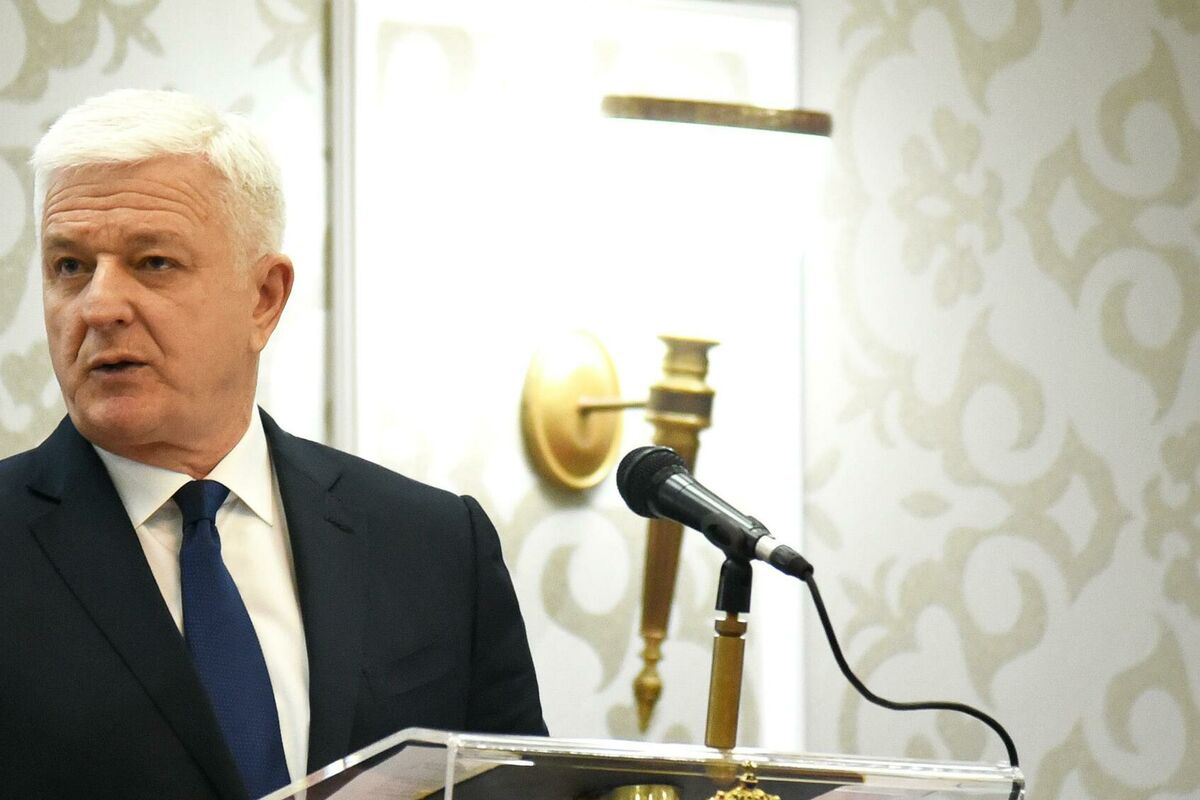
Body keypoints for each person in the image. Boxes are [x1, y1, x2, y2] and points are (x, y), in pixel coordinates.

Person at [0, 89, 546, 799]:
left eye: (153, 262)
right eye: (70, 266)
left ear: (264, 298)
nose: (99, 306)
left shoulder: (436, 545)